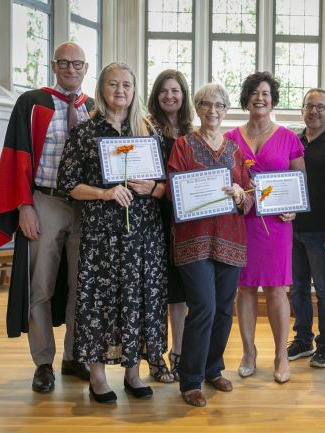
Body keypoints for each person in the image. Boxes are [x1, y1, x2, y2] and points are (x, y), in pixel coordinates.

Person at [57, 62, 168, 404]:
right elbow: (68, 185)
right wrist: (104, 193)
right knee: (99, 303)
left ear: (135, 92)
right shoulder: (86, 132)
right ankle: (97, 377)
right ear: (102, 89)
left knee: (137, 300)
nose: (120, 91)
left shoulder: (149, 133)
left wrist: (152, 187)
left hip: (143, 235)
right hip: (102, 235)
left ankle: (134, 373)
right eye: (113, 84)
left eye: (127, 85)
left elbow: (166, 188)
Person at [0, 42, 92, 393]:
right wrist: (23, 205)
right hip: (45, 201)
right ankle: (43, 362)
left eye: (77, 64)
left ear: (86, 68)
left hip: (86, 207)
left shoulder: (92, 108)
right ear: (53, 65)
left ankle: (74, 356)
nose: (71, 69)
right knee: (41, 285)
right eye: (64, 63)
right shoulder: (31, 103)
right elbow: (15, 158)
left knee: (82, 285)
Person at [167, 83, 253, 407]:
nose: (212, 110)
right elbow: (176, 189)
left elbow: (247, 194)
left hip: (231, 238)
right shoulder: (183, 145)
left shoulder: (235, 150)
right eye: (206, 104)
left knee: (222, 310)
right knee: (202, 306)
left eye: (219, 105)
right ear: (197, 108)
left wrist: (241, 194)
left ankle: (213, 368)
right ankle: (190, 379)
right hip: (194, 240)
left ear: (226, 109)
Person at [225, 71, 305, 384]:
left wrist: (294, 208)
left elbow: (300, 181)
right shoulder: (230, 138)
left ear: (273, 100)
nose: (260, 98)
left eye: (266, 94)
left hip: (276, 223)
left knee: (276, 290)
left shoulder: (288, 137)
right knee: (244, 289)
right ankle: (248, 352)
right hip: (242, 221)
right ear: (246, 99)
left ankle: (281, 356)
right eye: (255, 93)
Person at [287, 88, 325, 368]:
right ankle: (303, 339)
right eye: (309, 106)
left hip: (322, 229)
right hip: (290, 227)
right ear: (302, 110)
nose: (314, 111)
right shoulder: (292, 142)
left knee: (324, 289)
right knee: (297, 287)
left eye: (320, 107)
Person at [146, 69, 195, 382]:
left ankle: (178, 353)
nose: (169, 96)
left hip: (184, 219)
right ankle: (153, 357)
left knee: (178, 294)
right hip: (151, 216)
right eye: (163, 91)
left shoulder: (193, 132)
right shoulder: (145, 127)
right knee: (153, 292)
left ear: (184, 94)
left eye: (175, 90)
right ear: (156, 94)